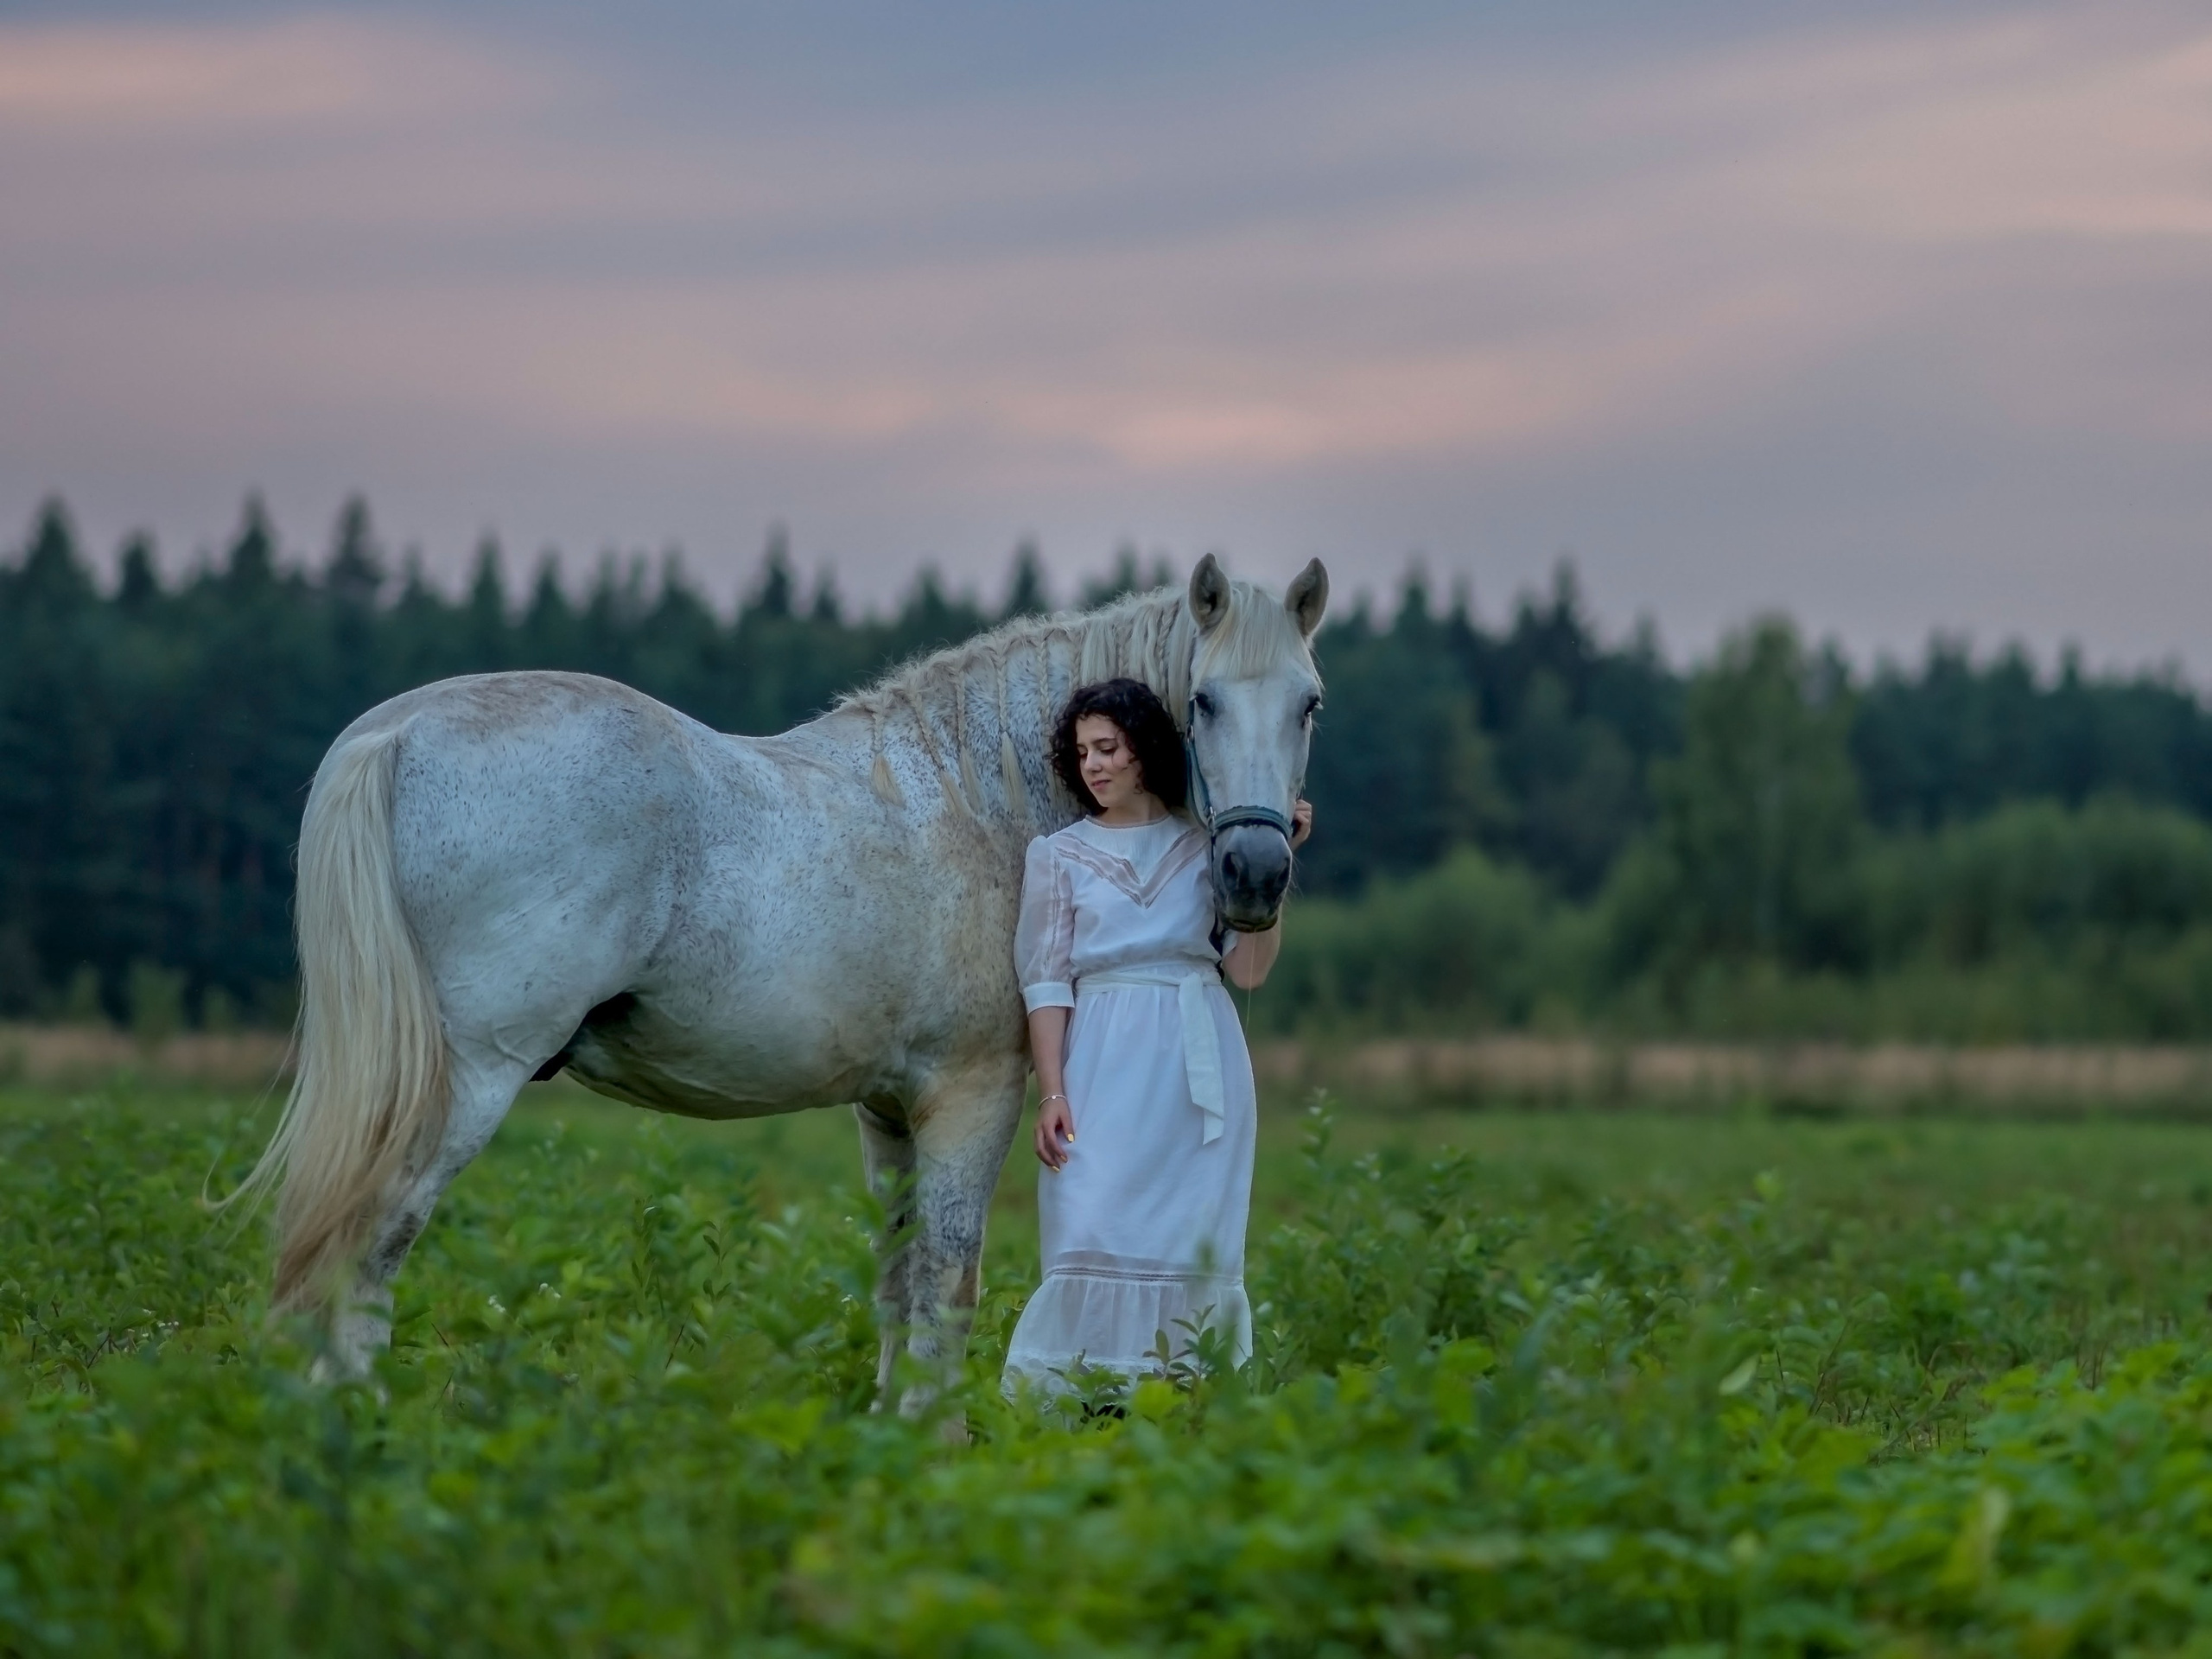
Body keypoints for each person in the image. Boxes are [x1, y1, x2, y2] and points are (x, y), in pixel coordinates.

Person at [1003, 677, 1312, 1398]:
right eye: (1082, 753)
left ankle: (1184, 1396)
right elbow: (1046, 983)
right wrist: (1051, 1090)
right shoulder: (1060, 856)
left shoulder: (1204, 847)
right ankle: (1086, 1403)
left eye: (1108, 748)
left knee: (1188, 1240)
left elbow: (1250, 970)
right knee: (1090, 1224)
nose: (1094, 766)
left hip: (1195, 1054)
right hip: (1101, 1064)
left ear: (1143, 749)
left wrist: (1279, 868)